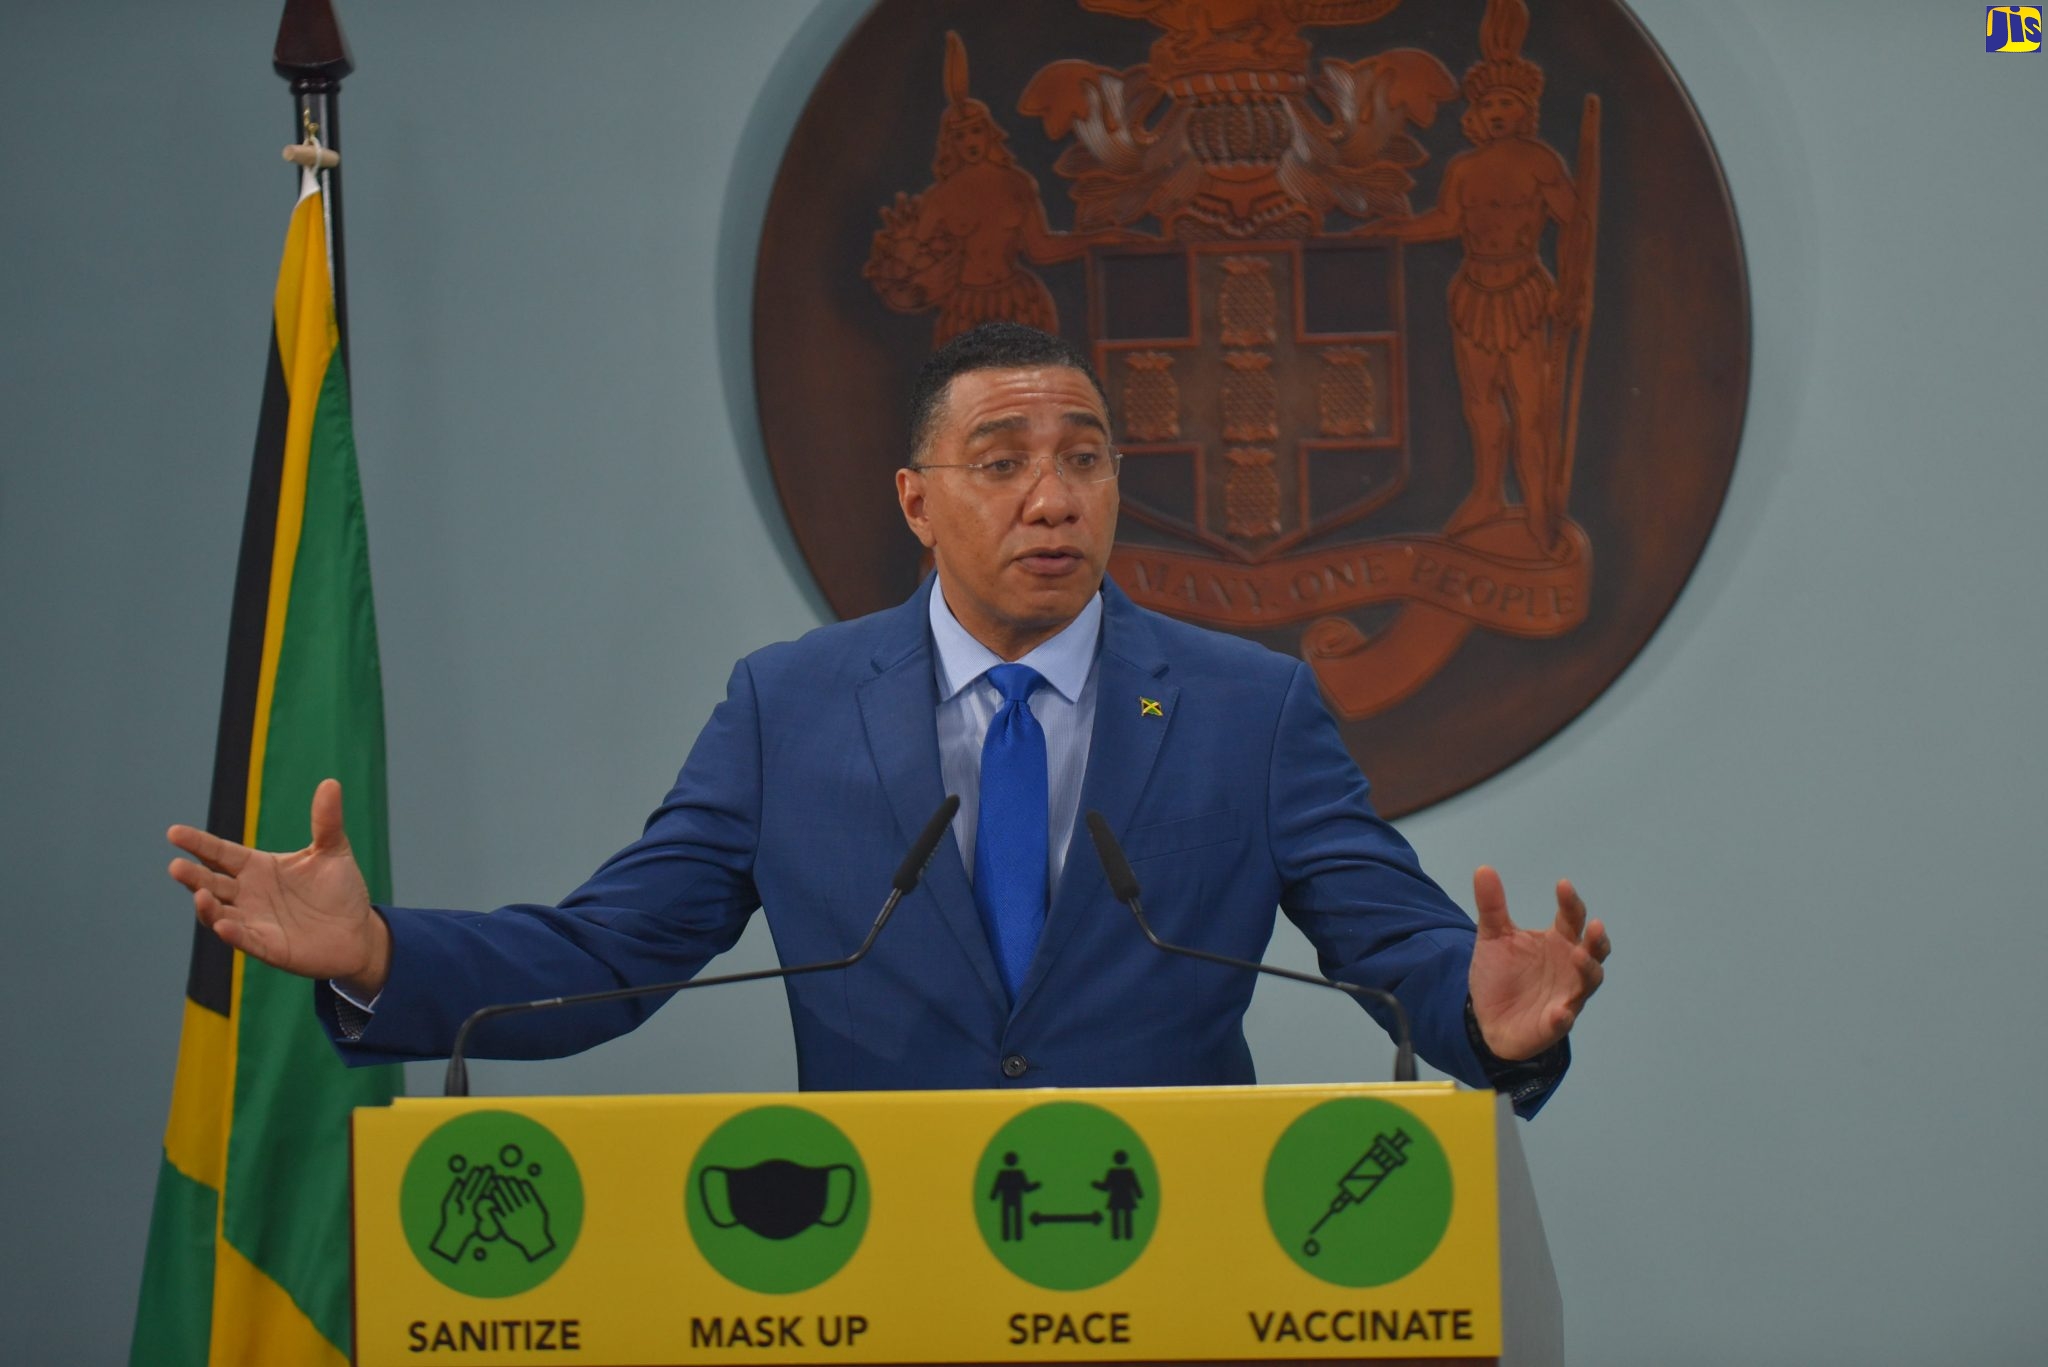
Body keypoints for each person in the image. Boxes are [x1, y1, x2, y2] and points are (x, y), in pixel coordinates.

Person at [166, 321, 1608, 1116]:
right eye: (1004, 462)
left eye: (1088, 461)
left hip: (1176, 1273)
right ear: (917, 500)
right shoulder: (788, 708)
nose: (1054, 497)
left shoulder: (1252, 707)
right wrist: (379, 956)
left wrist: (1485, 1019)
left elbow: (1389, 939)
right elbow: (611, 956)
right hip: (876, 1279)